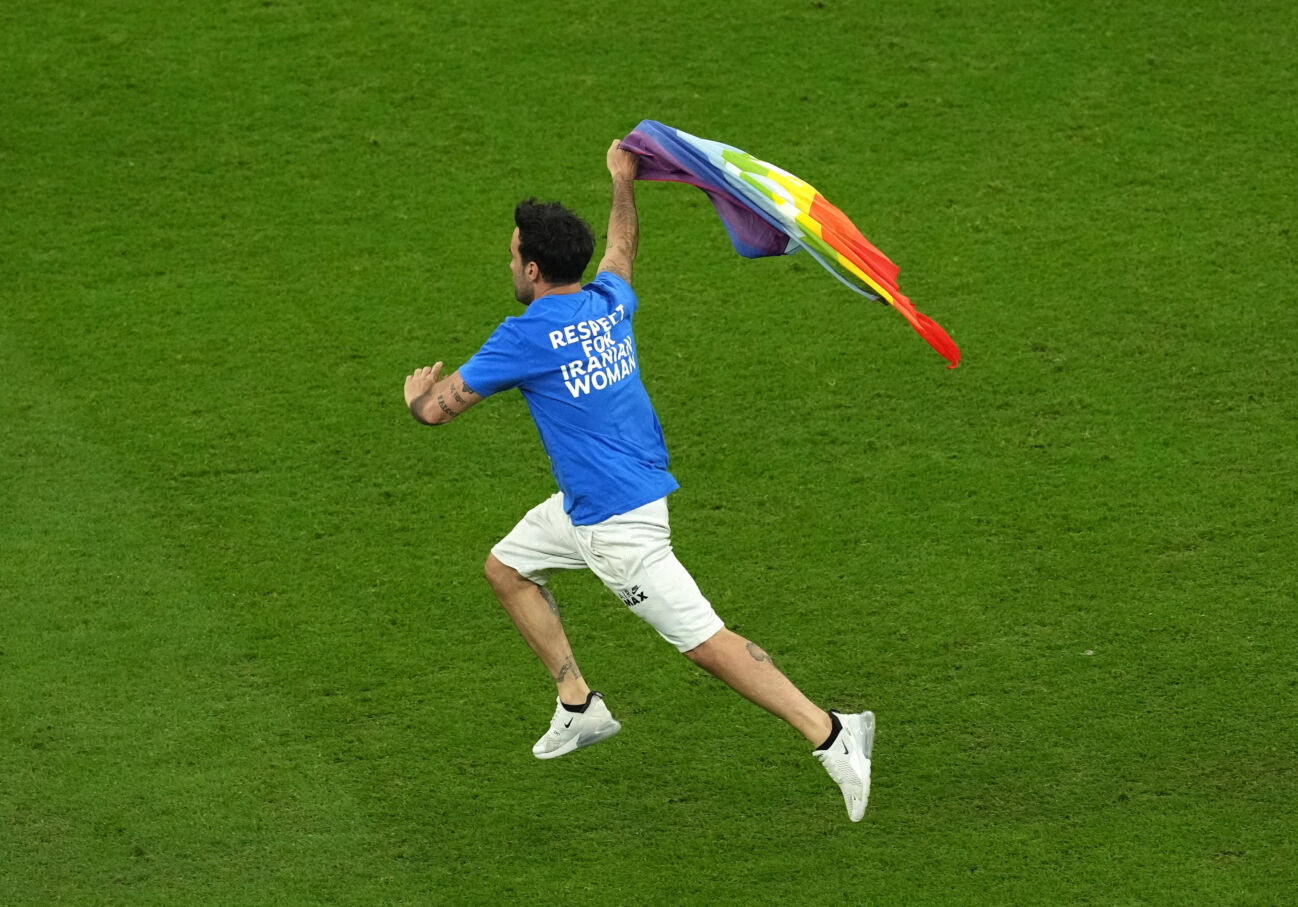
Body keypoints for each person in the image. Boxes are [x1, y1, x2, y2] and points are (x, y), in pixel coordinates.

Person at [402, 140, 874, 821]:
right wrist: (623, 180)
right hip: (591, 503)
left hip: (618, 527)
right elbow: (622, 244)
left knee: (707, 645)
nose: (509, 263)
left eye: (512, 256)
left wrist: (418, 394)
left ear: (533, 269)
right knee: (506, 567)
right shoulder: (606, 299)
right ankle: (578, 703)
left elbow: (437, 413)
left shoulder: (525, 335)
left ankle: (833, 734)